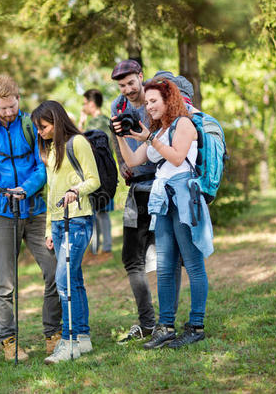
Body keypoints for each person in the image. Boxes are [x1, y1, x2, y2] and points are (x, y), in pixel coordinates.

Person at [0, 75, 62, 361]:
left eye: (12, 106)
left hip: (35, 211)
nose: (8, 112)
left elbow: (42, 168)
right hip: (1, 214)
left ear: (18, 98)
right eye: (2, 108)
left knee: (54, 271)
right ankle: (9, 341)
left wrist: (26, 189)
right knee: (5, 284)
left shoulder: (31, 125)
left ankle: (53, 334)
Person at [112, 77, 213, 349]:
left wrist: (149, 139)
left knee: (192, 263)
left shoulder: (183, 124)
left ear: (169, 100)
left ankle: (196, 325)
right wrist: (121, 136)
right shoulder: (159, 130)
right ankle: (165, 326)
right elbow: (133, 162)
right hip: (164, 199)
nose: (149, 106)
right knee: (165, 265)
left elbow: (178, 157)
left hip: (183, 195)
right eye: (147, 103)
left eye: (153, 101)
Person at [31, 100, 100, 364]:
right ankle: (83, 338)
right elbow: (51, 193)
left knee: (64, 281)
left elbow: (94, 180)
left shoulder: (77, 143)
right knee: (74, 280)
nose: (41, 132)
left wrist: (76, 191)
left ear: (56, 122)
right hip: (59, 224)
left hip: (79, 220)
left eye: (44, 126)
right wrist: (49, 227)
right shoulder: (51, 149)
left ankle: (68, 341)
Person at [109, 60, 160, 343]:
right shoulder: (118, 106)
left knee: (166, 257)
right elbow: (119, 142)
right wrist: (122, 166)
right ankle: (148, 323)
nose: (127, 89)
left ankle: (164, 323)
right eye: (122, 85)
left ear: (140, 77)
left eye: (131, 83)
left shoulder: (155, 99)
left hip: (161, 187)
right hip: (136, 190)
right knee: (132, 259)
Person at [79, 89, 113, 256]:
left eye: (85, 103)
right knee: (101, 211)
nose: (83, 106)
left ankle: (101, 248)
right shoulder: (107, 121)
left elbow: (79, 146)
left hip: (98, 173)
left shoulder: (94, 124)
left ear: (92, 104)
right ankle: (101, 247)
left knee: (98, 211)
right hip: (108, 172)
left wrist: (81, 123)